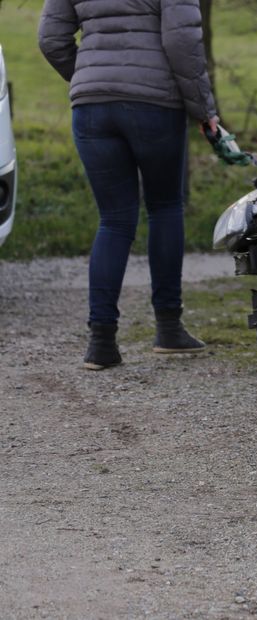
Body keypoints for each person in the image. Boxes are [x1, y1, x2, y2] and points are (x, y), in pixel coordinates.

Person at [38, 0, 217, 370]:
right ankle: (169, 330)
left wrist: (91, 76)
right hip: (154, 103)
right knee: (165, 207)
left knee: (114, 220)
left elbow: (51, 38)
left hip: (91, 108)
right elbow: (181, 40)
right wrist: (204, 110)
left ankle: (101, 343)